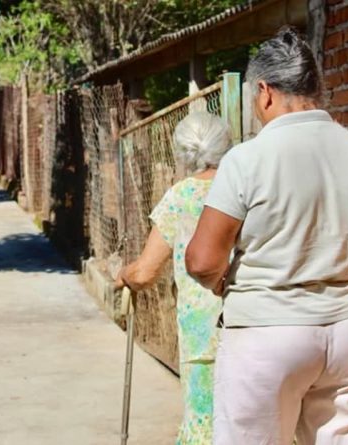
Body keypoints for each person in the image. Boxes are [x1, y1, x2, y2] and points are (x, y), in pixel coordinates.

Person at [185, 27, 348, 445]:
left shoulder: (247, 159)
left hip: (268, 332)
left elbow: (203, 259)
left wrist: (221, 280)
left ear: (264, 92)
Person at [115, 111, 232, 445]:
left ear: (183, 151)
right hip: (250, 321)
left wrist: (125, 275)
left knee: (202, 424)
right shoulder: (246, 191)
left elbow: (146, 271)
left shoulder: (180, 197)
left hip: (202, 332)